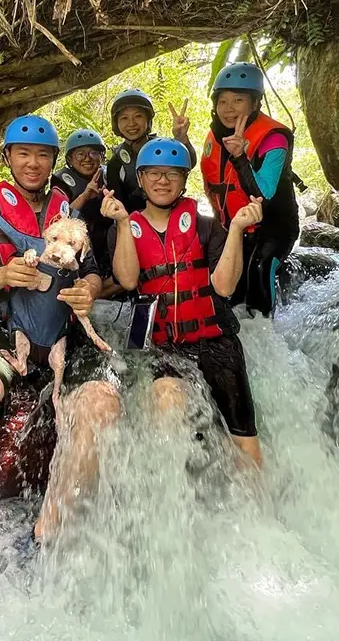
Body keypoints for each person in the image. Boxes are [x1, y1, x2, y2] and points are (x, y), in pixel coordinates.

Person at [0, 115, 120, 550]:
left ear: (53, 161)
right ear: (8, 156)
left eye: (42, 155)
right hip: (1, 325)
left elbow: (92, 275)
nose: (33, 163)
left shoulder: (69, 212)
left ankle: (53, 525)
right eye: (24, 153)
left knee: (102, 401)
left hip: (63, 328)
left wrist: (86, 292)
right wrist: (2, 276)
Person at [104, 137, 264, 467]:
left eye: (173, 174)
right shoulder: (123, 228)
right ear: (141, 178)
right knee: (165, 401)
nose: (163, 181)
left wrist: (235, 229)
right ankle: (179, 502)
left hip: (218, 344)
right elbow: (129, 280)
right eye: (154, 173)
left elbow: (224, 286)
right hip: (167, 347)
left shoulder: (208, 228)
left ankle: (262, 512)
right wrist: (121, 223)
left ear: (183, 180)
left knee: (244, 438)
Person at [200, 62, 299, 317]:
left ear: (255, 104)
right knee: (229, 283)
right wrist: (182, 142)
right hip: (238, 226)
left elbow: (261, 194)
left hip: (274, 226)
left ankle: (264, 330)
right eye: (223, 101)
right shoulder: (216, 135)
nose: (228, 109)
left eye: (238, 100)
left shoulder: (274, 139)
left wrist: (241, 157)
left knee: (259, 266)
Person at [106, 89, 197, 215]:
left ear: (148, 120)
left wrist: (181, 139)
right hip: (136, 225)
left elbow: (189, 163)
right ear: (117, 124)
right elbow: (118, 205)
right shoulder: (116, 164)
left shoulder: (162, 147)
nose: (131, 123)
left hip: (172, 218)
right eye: (124, 118)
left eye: (138, 116)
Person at [51, 128, 118, 297]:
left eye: (94, 153)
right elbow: (59, 220)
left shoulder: (110, 176)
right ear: (70, 159)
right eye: (80, 154)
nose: (87, 159)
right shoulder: (62, 182)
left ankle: (109, 285)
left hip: (106, 246)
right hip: (78, 246)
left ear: (102, 157)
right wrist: (85, 195)